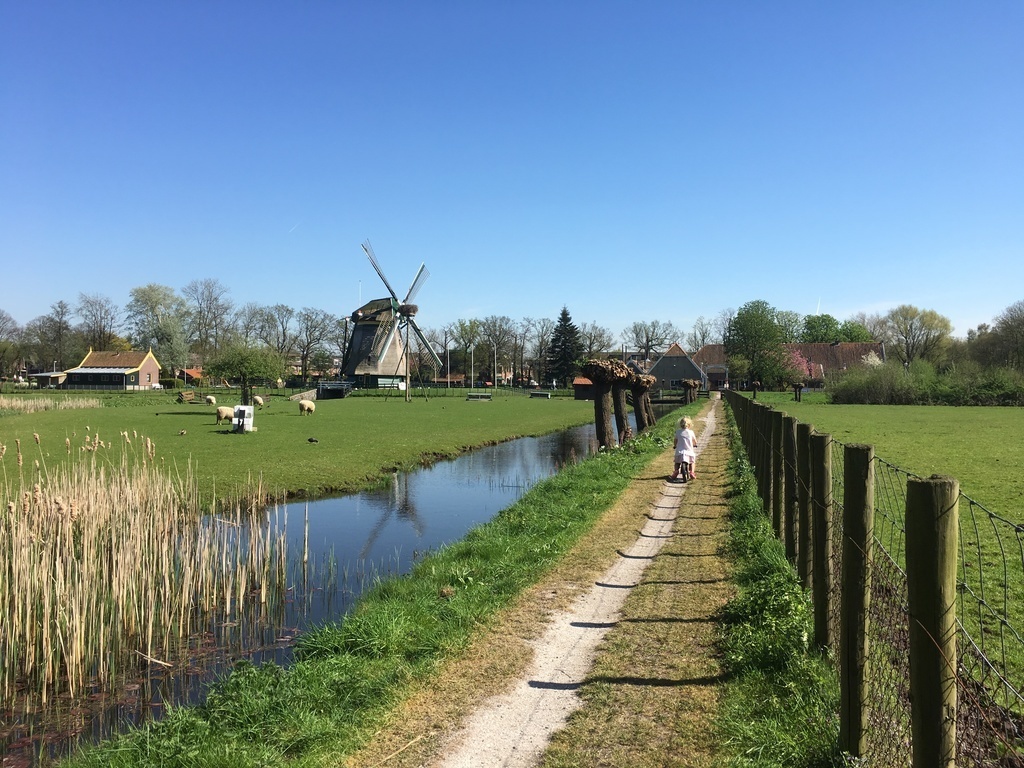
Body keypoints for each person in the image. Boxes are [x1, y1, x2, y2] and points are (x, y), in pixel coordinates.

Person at [670, 416, 697, 482]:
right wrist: (695, 444)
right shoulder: (691, 432)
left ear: (680, 425)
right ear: (689, 425)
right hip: (689, 451)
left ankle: (676, 471)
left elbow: (675, 440)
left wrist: (675, 445)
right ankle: (692, 472)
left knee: (677, 462)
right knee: (692, 462)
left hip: (679, 452)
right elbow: (695, 441)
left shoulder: (678, 432)